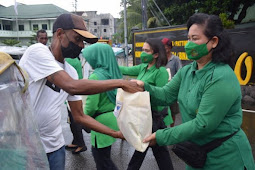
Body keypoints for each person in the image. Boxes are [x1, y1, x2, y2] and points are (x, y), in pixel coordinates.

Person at [19, 13, 141, 170]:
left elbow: (80, 116)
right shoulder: (37, 52)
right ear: (60, 34)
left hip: (56, 147)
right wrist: (120, 83)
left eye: (83, 42)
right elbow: (72, 86)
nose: (81, 46)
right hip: (30, 147)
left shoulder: (71, 71)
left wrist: (115, 133)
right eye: (77, 39)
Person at [138, 13, 255, 170]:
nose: (189, 44)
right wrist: (143, 86)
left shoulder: (221, 76)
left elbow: (203, 124)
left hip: (226, 159)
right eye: (188, 38)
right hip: (196, 156)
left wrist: (160, 136)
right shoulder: (187, 71)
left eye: (195, 38)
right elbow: (166, 95)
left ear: (213, 41)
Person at [119, 38, 174, 170]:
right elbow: (125, 70)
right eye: (142, 50)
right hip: (145, 115)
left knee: (145, 147)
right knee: (153, 150)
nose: (143, 53)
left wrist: (144, 87)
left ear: (156, 54)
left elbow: (162, 97)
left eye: (146, 50)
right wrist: (108, 63)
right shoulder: (143, 67)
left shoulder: (160, 71)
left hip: (156, 117)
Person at [82, 43, 122, 170]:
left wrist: (82, 116)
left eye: (90, 57)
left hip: (100, 124)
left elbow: (91, 107)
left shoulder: (96, 76)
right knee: (106, 158)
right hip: (112, 119)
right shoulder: (113, 72)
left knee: (102, 162)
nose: (88, 60)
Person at [65, 57, 87, 154]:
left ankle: (81, 144)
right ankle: (76, 141)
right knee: (72, 119)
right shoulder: (76, 60)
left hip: (72, 93)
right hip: (73, 92)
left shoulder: (68, 60)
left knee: (74, 120)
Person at [161, 37, 182, 127]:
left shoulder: (175, 59)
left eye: (166, 47)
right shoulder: (160, 59)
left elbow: (180, 73)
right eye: (163, 47)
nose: (164, 49)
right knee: (162, 111)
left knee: (172, 112)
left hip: (172, 90)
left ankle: (172, 129)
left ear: (170, 47)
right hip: (161, 88)